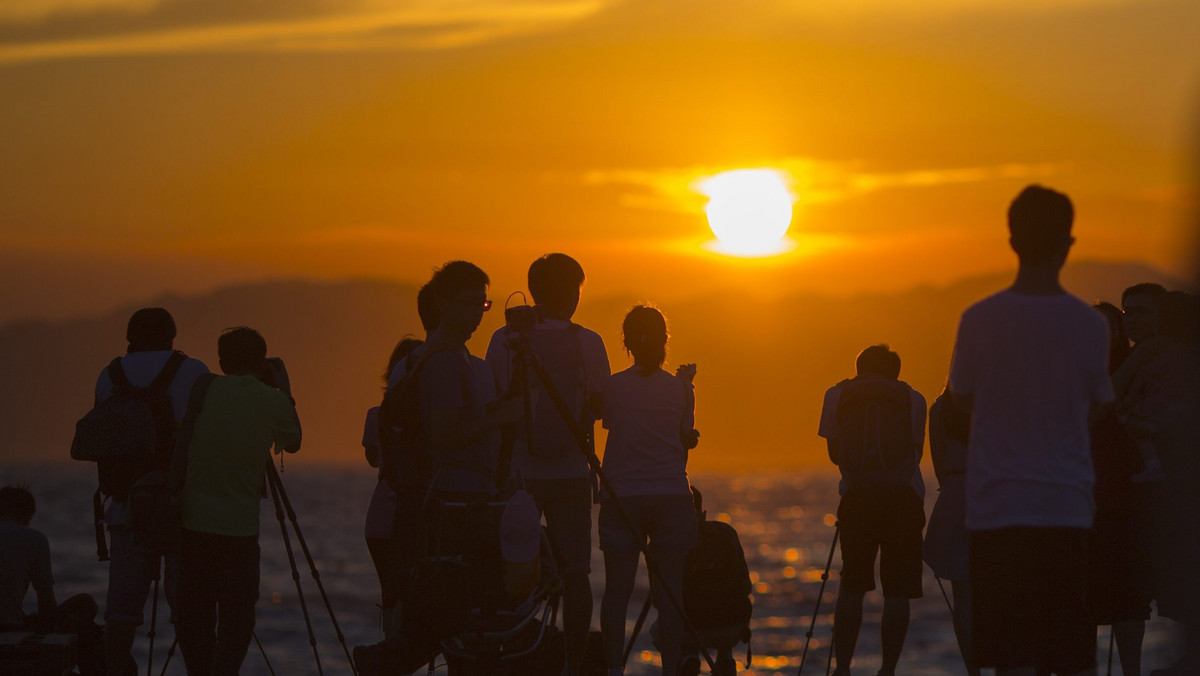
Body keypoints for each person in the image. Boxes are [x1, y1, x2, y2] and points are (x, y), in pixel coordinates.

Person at [949, 185, 1113, 676]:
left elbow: (961, 399)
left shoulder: (978, 320)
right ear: (1068, 242)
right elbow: (1098, 405)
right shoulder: (1090, 325)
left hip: (997, 508)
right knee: (1066, 655)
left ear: (1012, 240)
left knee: (1010, 657)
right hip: (1066, 507)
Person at [484, 253, 611, 676]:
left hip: (518, 475)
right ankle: (573, 665)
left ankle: (511, 657)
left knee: (511, 568)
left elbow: (495, 399)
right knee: (576, 574)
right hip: (572, 475)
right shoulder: (588, 341)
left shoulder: (505, 338)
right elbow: (599, 405)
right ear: (573, 292)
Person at [176, 327, 301, 676]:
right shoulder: (272, 401)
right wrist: (285, 388)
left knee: (194, 614)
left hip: (192, 522)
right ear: (262, 362)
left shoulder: (203, 388)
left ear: (221, 360)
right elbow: (293, 441)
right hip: (240, 529)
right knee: (238, 615)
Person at [91, 308, 209, 676]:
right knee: (189, 610)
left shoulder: (108, 375)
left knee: (121, 611)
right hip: (182, 508)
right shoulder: (193, 372)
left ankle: (114, 669)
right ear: (172, 336)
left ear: (130, 336)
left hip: (126, 507)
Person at [598, 305, 699, 676]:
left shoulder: (612, 386)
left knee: (617, 591)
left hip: (622, 495)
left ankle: (613, 668)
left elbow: (611, 421)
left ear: (625, 342)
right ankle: (671, 668)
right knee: (670, 595)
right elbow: (682, 441)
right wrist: (686, 386)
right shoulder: (680, 390)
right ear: (664, 342)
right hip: (671, 495)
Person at [817, 344, 926, 676]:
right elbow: (916, 452)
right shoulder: (913, 398)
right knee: (898, 590)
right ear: (895, 371)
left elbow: (835, 454)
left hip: (858, 498)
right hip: (903, 500)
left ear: (859, 367)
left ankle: (843, 669)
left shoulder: (837, 395)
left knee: (852, 585)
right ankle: (887, 670)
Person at [1, 483, 104, 673]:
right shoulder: (33, 538)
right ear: (25, 515)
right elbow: (46, 604)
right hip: (8, 628)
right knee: (85, 604)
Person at [922, 384, 978, 676]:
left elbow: (940, 464)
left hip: (955, 495)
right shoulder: (1001, 396)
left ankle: (973, 670)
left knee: (963, 597)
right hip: (995, 492)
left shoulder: (940, 407)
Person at [1121, 283, 1167, 348]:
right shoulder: (1123, 356)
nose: (1133, 319)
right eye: (1127, 312)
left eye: (1141, 311)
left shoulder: (1175, 355)